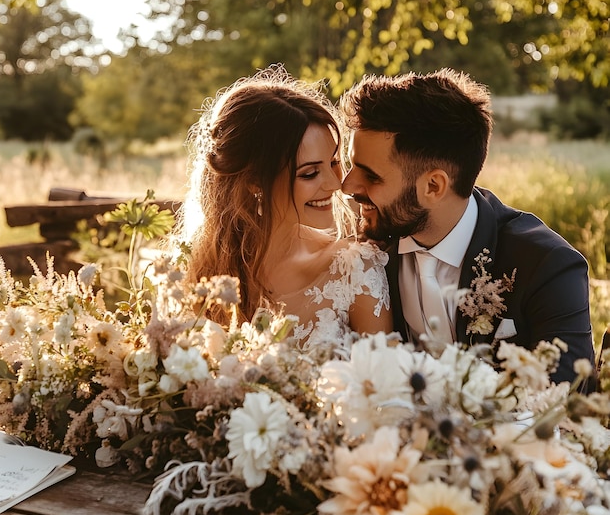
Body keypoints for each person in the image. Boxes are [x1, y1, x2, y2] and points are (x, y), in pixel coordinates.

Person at [339, 68, 596, 385]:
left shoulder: (547, 265)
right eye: (350, 164)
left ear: (433, 186)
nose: (347, 185)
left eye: (370, 175)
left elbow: (566, 405)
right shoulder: (363, 252)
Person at [180, 66, 392, 354]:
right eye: (308, 174)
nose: (335, 184)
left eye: (332, 162)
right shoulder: (197, 272)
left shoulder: (355, 270)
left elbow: (382, 390)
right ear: (254, 181)